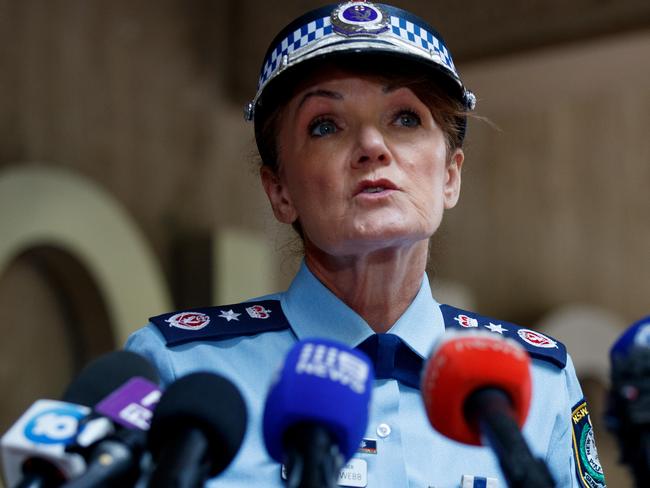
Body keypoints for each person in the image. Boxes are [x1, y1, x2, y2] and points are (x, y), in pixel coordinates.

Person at [126, 2, 605, 487]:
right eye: (325, 125)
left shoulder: (537, 381)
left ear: (450, 177)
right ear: (280, 191)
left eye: (405, 118)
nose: (373, 146)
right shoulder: (178, 370)